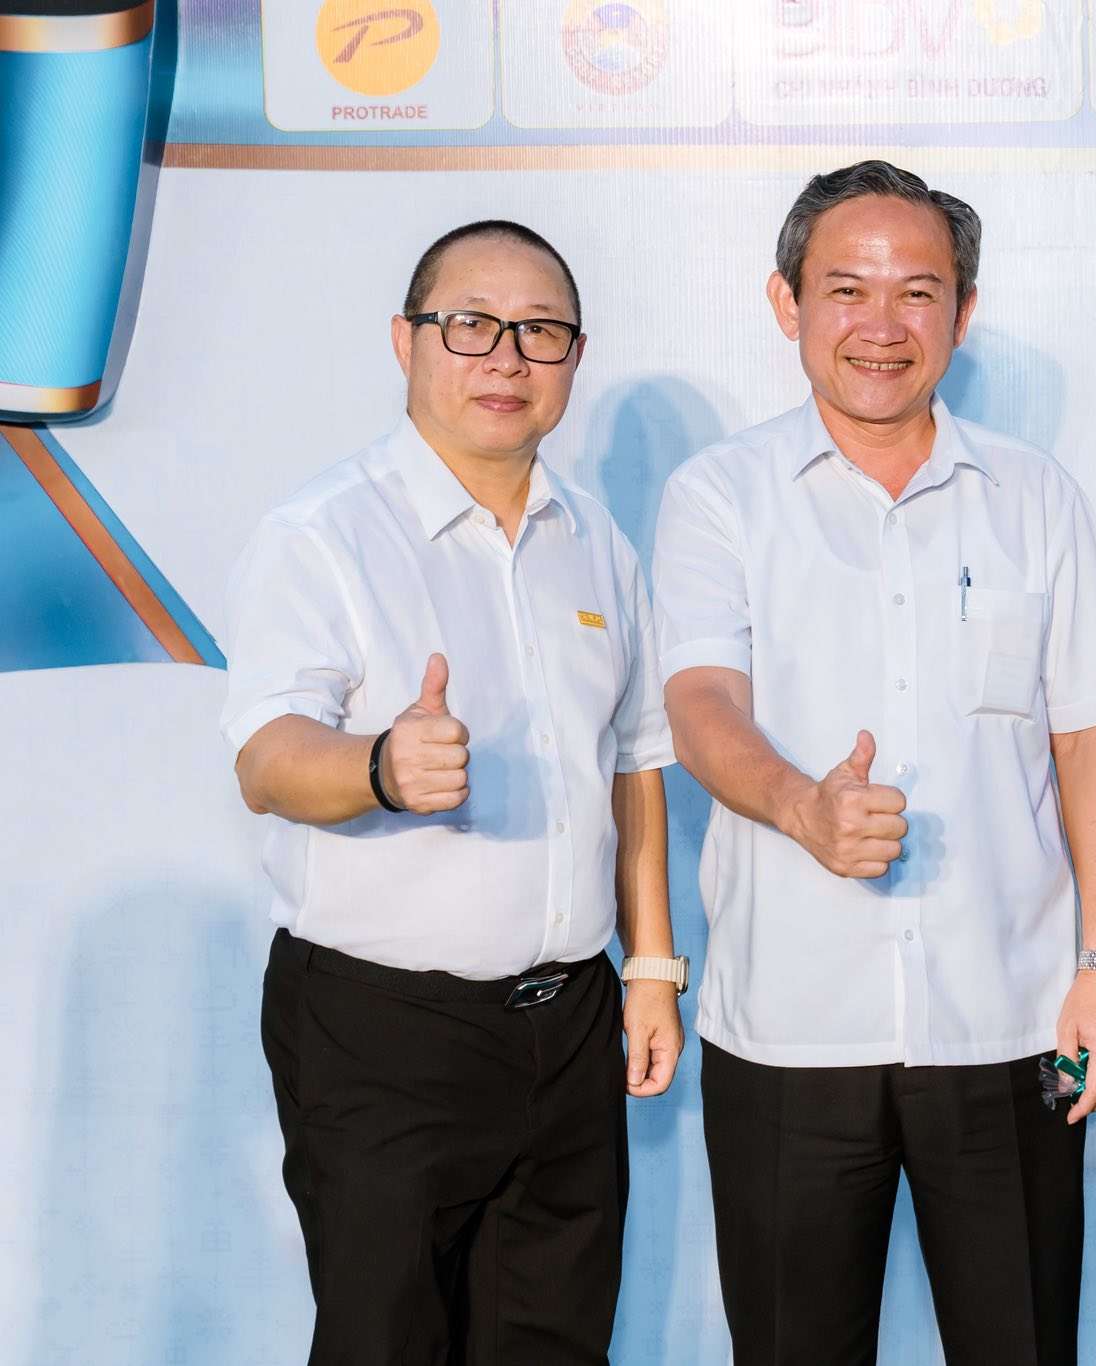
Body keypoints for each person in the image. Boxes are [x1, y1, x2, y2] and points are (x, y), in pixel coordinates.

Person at [652, 161, 1096, 1366]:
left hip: (1012, 1025)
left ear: (962, 313)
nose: (881, 324)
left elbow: (1088, 736)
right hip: (787, 1026)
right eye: (846, 289)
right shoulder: (719, 495)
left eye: (917, 292)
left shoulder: (1034, 498)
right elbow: (699, 701)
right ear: (785, 302)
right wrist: (800, 805)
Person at [219, 220, 686, 1365]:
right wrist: (379, 766)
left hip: (572, 1022)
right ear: (406, 340)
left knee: (556, 1342)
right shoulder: (323, 533)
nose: (506, 358)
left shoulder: (597, 541)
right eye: (470, 325)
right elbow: (266, 755)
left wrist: (651, 970)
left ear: (575, 357)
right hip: (383, 1034)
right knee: (386, 1342)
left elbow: (632, 763)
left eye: (540, 332)